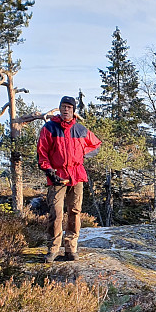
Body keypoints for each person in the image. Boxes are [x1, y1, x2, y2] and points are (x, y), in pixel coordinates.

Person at [37, 95, 101, 263]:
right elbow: (42, 152)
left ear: (73, 111)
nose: (66, 109)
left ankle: (71, 248)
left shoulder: (80, 129)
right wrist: (49, 171)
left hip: (77, 175)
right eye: (63, 106)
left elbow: (96, 145)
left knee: (74, 212)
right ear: (59, 108)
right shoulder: (49, 128)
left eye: (69, 107)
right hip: (57, 177)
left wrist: (82, 154)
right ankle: (53, 249)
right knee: (56, 213)